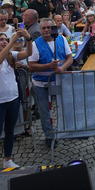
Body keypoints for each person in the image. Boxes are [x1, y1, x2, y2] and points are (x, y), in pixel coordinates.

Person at [0, 31, 31, 169]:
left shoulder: (11, 55)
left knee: (10, 132)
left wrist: (29, 38)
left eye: (6, 39)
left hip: (13, 99)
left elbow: (28, 53)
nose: (4, 41)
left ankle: (7, 159)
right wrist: (12, 41)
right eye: (1, 40)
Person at [28, 18, 74, 147]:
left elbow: (69, 58)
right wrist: (48, 66)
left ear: (54, 28)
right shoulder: (35, 44)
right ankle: (49, 135)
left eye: (49, 27)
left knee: (67, 106)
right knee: (45, 112)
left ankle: (70, 130)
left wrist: (62, 68)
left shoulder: (61, 39)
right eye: (44, 28)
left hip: (60, 81)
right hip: (41, 84)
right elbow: (31, 66)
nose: (47, 30)